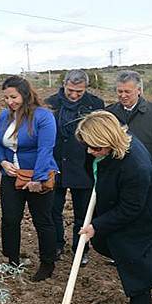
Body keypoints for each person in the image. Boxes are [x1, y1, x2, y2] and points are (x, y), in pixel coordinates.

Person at [76, 111, 152, 304]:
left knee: (136, 269)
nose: (90, 152)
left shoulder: (136, 166)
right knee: (127, 260)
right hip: (126, 216)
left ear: (109, 141)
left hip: (140, 223)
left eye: (95, 148)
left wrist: (96, 226)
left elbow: (130, 208)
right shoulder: (116, 150)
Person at [0, 76, 58, 281]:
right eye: (6, 97)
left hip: (36, 177)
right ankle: (12, 259)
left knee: (43, 220)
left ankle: (47, 264)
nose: (10, 101)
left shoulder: (43, 116)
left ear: (25, 95)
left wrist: (38, 179)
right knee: (10, 219)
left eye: (14, 97)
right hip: (11, 176)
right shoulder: (5, 116)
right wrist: (2, 162)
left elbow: (45, 148)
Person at [44, 69, 104, 266]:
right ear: (64, 85)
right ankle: (56, 244)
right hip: (56, 165)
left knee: (83, 213)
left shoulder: (95, 105)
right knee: (53, 210)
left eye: (79, 91)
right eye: (71, 90)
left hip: (84, 167)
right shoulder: (50, 104)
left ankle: (81, 248)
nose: (74, 94)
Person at [106, 70, 152, 192]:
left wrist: (151, 171)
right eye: (120, 91)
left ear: (139, 91)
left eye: (127, 91)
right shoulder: (108, 114)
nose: (123, 95)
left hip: (149, 178)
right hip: (117, 179)